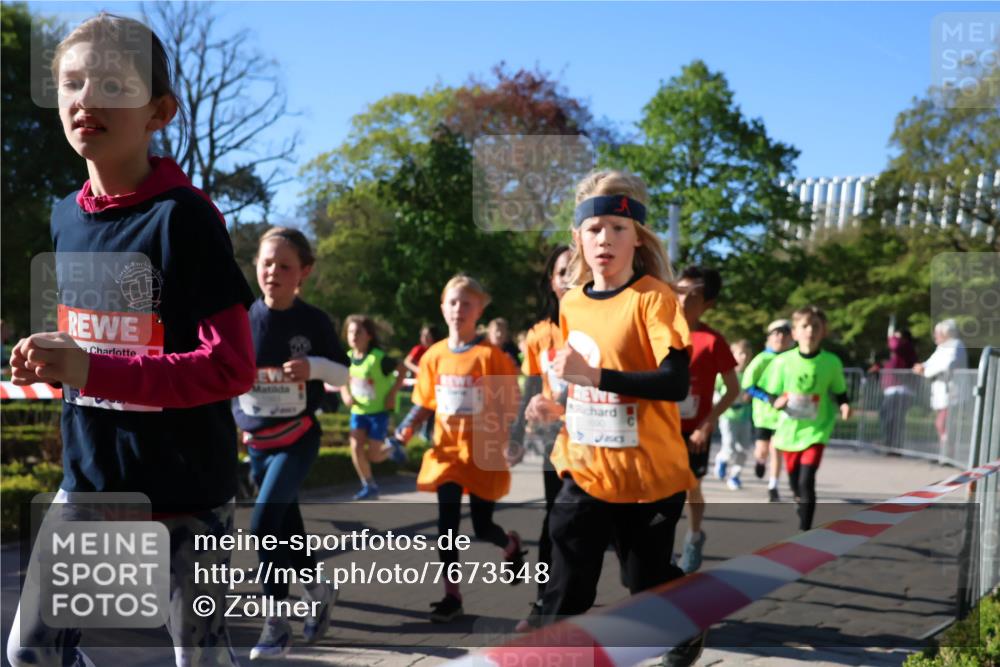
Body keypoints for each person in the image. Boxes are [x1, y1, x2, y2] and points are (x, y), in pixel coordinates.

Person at [7, 14, 255, 666]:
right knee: (31, 652)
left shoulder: (185, 218)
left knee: (199, 659)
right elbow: (105, 338)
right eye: (72, 83)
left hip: (185, 499)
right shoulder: (64, 216)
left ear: (159, 112)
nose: (86, 99)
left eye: (113, 85)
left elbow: (231, 366)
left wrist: (91, 369)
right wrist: (53, 353)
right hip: (89, 486)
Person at [524, 170, 705, 665]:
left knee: (643, 581)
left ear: (638, 237)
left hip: (647, 473)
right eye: (595, 228)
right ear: (578, 237)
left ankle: (686, 621)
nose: (605, 239)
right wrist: (555, 405)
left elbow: (674, 382)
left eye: (618, 228)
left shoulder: (654, 298)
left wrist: (596, 376)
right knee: (566, 583)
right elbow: (580, 380)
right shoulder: (573, 303)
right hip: (584, 466)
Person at [233, 227, 352, 659]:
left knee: (263, 524)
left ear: (304, 272)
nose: (273, 272)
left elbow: (344, 373)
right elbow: (227, 376)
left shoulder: (313, 321)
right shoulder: (242, 318)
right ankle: (319, 590)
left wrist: (313, 367)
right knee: (287, 532)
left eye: (284, 266)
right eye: (266, 263)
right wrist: (236, 422)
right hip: (257, 443)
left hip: (298, 438)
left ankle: (276, 624)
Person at [392, 275, 525, 623]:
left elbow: (511, 405)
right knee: (446, 527)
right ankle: (452, 596)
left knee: (482, 527)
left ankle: (510, 545)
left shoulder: (491, 357)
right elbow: (424, 402)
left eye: (467, 303)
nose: (458, 309)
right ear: (442, 307)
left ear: (479, 310)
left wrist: (514, 441)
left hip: (483, 454)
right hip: (447, 454)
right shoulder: (434, 356)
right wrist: (404, 431)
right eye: (452, 302)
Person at [507, 244, 571, 632]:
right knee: (554, 520)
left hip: (601, 436)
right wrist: (516, 434)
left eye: (577, 271)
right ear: (552, 280)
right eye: (563, 272)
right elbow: (531, 386)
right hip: (555, 438)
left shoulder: (600, 325)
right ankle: (545, 601)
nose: (570, 279)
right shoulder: (539, 334)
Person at [758, 306, 851, 531]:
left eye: (815, 326)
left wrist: (845, 404)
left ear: (823, 331)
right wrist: (775, 401)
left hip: (816, 429)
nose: (810, 331)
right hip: (789, 431)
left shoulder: (831, 362)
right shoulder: (783, 361)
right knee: (795, 483)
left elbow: (839, 391)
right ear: (795, 332)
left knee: (806, 480)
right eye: (805, 326)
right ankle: (799, 499)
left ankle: (804, 532)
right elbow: (767, 390)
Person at [674, 266, 739, 574]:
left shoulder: (712, 341)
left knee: (690, 487)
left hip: (695, 430)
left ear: (708, 303)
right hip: (660, 428)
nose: (683, 300)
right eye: (679, 291)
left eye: (693, 296)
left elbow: (733, 389)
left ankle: (693, 536)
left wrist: (707, 422)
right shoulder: (656, 331)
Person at [340, 314, 406, 500]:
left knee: (374, 455)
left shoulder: (379, 358)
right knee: (355, 447)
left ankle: (392, 447)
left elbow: (402, 369)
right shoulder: (347, 358)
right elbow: (342, 379)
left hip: (378, 411)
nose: (354, 336)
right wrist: (346, 395)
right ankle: (369, 485)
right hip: (358, 411)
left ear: (369, 335)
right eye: (350, 332)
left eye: (358, 332)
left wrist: (392, 393)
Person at [744, 319, 794, 502]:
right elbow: (748, 385)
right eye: (776, 334)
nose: (780, 338)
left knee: (777, 449)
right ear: (769, 338)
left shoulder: (792, 359)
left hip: (784, 415)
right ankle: (760, 461)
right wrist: (769, 399)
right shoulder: (761, 359)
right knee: (762, 450)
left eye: (784, 334)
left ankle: (773, 486)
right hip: (763, 415)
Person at [913, 318, 968, 453]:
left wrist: (925, 371)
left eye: (938, 333)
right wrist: (922, 366)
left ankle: (948, 453)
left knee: (942, 423)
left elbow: (946, 365)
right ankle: (946, 453)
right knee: (942, 424)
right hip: (942, 393)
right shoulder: (942, 347)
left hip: (951, 393)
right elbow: (931, 362)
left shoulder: (956, 345)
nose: (935, 336)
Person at [869, 324, 918, 452]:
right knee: (887, 416)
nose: (894, 340)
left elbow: (895, 345)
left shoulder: (906, 347)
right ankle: (889, 443)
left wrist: (892, 336)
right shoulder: (898, 354)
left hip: (900, 390)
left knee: (893, 419)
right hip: (893, 390)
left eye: (898, 337)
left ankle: (893, 446)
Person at [714, 340, 753, 490]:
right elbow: (715, 391)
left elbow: (754, 390)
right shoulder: (725, 373)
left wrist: (751, 396)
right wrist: (721, 402)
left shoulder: (750, 373)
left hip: (745, 416)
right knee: (729, 447)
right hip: (727, 415)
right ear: (733, 355)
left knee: (743, 449)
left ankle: (735, 476)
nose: (744, 357)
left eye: (746, 354)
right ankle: (722, 460)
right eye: (740, 353)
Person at [403, 324, 440, 441]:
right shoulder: (419, 349)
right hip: (422, 387)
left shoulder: (439, 349)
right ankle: (405, 435)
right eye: (423, 335)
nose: (424, 338)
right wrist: (420, 370)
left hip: (435, 387)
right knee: (419, 411)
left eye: (427, 335)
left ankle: (427, 434)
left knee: (433, 412)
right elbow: (407, 362)